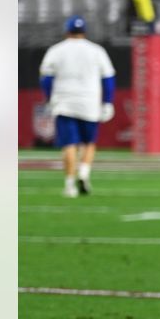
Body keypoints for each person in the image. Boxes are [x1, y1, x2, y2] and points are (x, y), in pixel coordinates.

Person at [39, 15, 115, 198]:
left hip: (64, 102)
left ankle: (70, 184)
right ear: (85, 32)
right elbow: (108, 79)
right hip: (89, 103)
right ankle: (84, 173)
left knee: (69, 144)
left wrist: (49, 99)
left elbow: (46, 79)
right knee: (89, 143)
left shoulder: (56, 50)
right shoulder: (96, 50)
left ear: (67, 31)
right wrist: (108, 102)